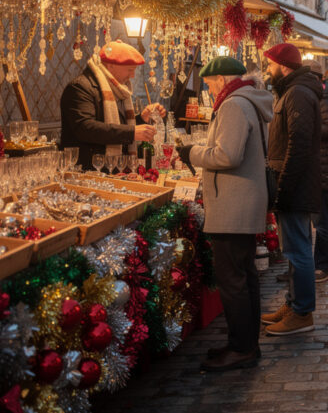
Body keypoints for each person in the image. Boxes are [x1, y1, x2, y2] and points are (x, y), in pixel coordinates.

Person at [176, 56, 273, 371]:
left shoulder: (233, 105)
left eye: (209, 81)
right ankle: (243, 343)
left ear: (221, 79)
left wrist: (192, 152)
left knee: (233, 280)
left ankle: (243, 348)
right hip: (242, 199)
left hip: (234, 202)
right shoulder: (249, 101)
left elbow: (228, 155)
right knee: (244, 277)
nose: (206, 86)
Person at [261, 43, 322, 336]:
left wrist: (284, 185)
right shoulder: (291, 91)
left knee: (298, 251)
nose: (267, 70)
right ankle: (294, 303)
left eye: (270, 65)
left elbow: (297, 146)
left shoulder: (297, 93)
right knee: (293, 249)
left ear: (283, 65)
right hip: (293, 181)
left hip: (296, 184)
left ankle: (302, 312)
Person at [60, 40, 166, 170]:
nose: (132, 76)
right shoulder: (80, 87)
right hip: (87, 171)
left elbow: (118, 126)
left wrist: (141, 119)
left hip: (114, 170)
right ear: (110, 66)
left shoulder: (118, 90)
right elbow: (85, 128)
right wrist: (132, 132)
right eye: (130, 70)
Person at [310, 60, 328, 283]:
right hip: (314, 165)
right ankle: (300, 267)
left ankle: (322, 265)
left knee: (321, 221)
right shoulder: (313, 96)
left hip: (323, 166)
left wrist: (304, 126)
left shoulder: (327, 99)